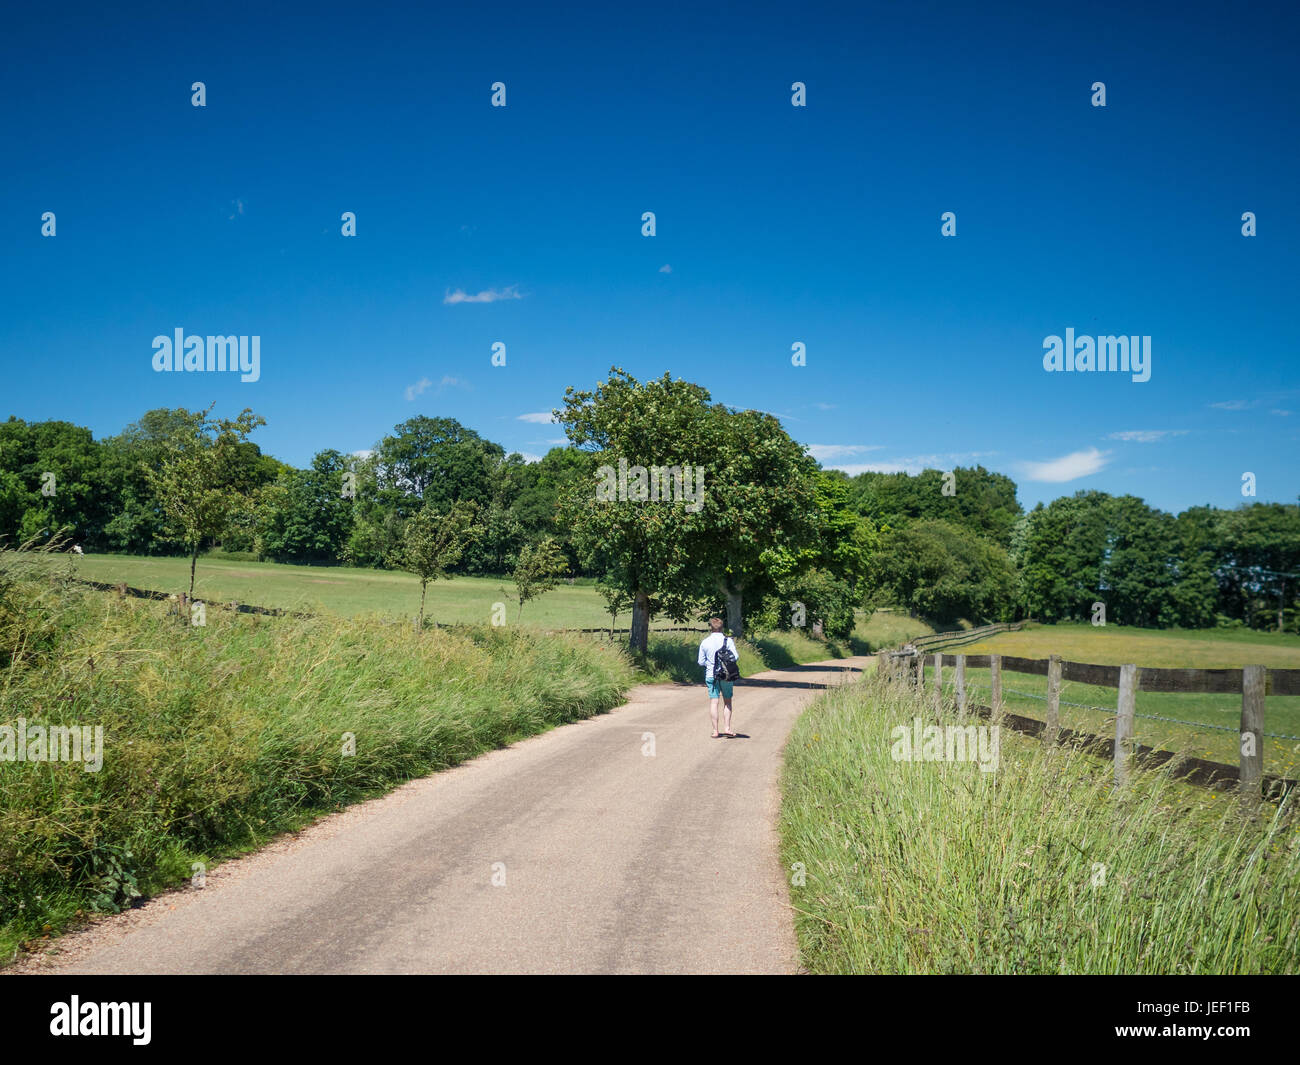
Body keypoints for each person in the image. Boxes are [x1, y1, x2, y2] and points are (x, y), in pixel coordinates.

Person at [697, 617, 738, 738]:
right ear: (722, 627)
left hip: (711, 675)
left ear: (711, 627)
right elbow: (735, 657)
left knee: (714, 702)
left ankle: (715, 731)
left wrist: (710, 664)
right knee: (727, 702)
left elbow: (700, 662)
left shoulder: (705, 642)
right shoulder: (728, 641)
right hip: (726, 675)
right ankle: (727, 728)